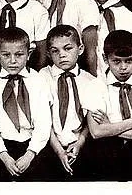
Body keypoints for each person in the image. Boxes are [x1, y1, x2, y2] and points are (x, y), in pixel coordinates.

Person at [0, 27, 51, 181]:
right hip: (0, 147)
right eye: (6, 55)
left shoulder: (38, 80)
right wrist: (4, 156)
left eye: (19, 55)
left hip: (32, 145)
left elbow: (43, 123)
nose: (12, 61)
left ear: (29, 54)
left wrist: (30, 154)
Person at [86, 30, 132, 181]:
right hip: (106, 154)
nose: (123, 67)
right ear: (105, 59)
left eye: (129, 61)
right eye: (116, 61)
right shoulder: (95, 86)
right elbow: (96, 132)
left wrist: (110, 127)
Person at [38, 25, 95, 181]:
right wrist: (59, 150)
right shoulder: (42, 77)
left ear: (80, 49)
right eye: (55, 51)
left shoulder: (90, 81)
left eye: (68, 48)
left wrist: (79, 144)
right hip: (50, 145)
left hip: (80, 144)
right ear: (48, 54)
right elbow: (41, 119)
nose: (62, 55)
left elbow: (90, 122)